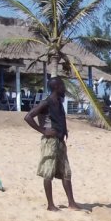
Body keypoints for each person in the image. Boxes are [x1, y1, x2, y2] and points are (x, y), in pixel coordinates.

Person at [25, 77, 82, 211]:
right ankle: (50, 205)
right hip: (50, 142)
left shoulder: (59, 102)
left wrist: (64, 130)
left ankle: (71, 203)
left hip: (60, 141)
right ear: (56, 87)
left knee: (66, 172)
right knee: (48, 172)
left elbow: (60, 118)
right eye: (62, 86)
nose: (64, 89)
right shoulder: (47, 102)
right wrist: (43, 130)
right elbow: (28, 117)